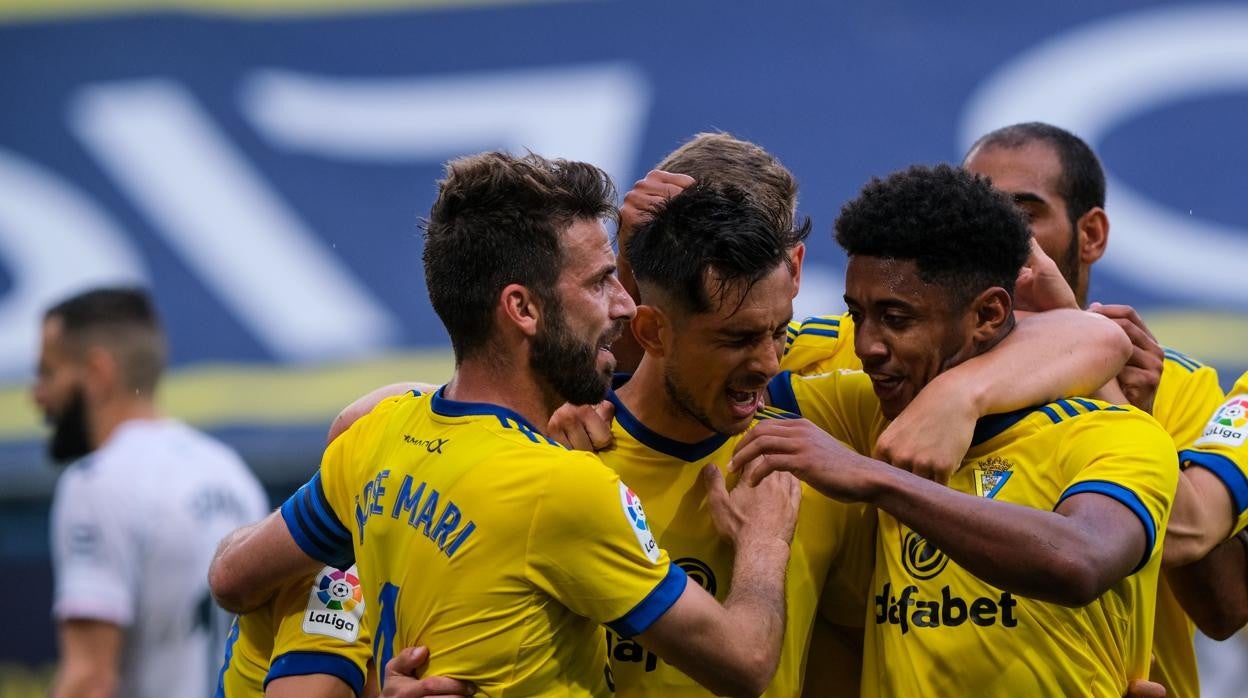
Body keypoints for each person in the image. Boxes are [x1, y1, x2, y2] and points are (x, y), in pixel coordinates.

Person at [207, 151, 804, 697]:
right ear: (522, 308)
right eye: (600, 282)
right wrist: (765, 542)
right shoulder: (566, 489)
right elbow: (746, 663)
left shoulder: (376, 432)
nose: (625, 304)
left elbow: (232, 578)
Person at [737, 164, 1177, 696]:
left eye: (897, 319)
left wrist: (875, 477)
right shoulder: (862, 408)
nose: (867, 347)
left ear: (988, 314)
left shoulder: (1115, 436)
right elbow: (702, 385)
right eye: (858, 316)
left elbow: (1078, 561)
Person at [961, 122, 1231, 698]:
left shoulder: (1182, 387)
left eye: (1023, 214)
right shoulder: (899, 372)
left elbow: (1224, 607)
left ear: (1091, 234)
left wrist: (1127, 412)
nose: (994, 237)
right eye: (975, 213)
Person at [33, 287, 268, 698]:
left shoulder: (95, 481)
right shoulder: (231, 472)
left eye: (48, 372)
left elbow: (90, 678)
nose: (36, 395)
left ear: (97, 372)